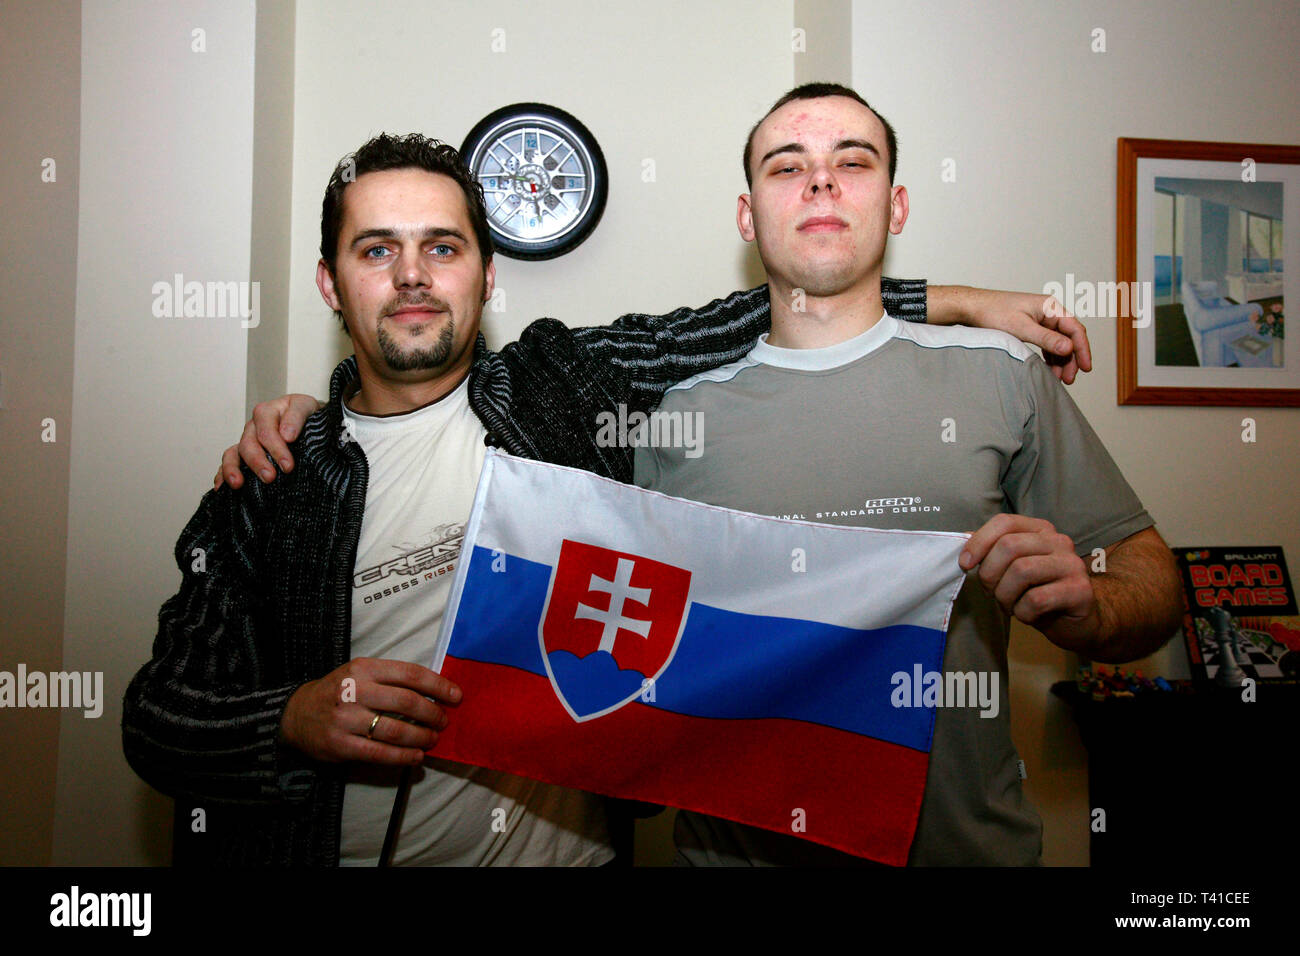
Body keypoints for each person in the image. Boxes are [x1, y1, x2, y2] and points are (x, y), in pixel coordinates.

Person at [129, 115, 1089, 866]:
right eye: (377, 250)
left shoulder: (559, 388)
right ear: (332, 285)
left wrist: (957, 303)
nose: (414, 277)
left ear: (488, 274)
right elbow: (157, 717)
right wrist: (291, 718)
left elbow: (752, 309)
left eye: (444, 247)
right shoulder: (271, 478)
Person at [631, 83, 1184, 865]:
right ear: (748, 217)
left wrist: (1087, 605)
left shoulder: (1002, 376)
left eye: (851, 162)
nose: (821, 181)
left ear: (896, 207)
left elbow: (1151, 579)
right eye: (787, 167)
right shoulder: (674, 417)